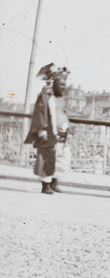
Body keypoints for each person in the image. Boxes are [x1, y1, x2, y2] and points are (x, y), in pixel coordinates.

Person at [24, 63, 73, 194]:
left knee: (63, 159)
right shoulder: (45, 96)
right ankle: (45, 186)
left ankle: (54, 182)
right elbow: (40, 113)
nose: (63, 88)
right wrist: (42, 130)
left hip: (62, 135)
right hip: (49, 134)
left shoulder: (60, 98)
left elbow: (63, 114)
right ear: (53, 84)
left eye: (64, 85)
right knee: (48, 159)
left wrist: (69, 127)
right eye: (60, 85)